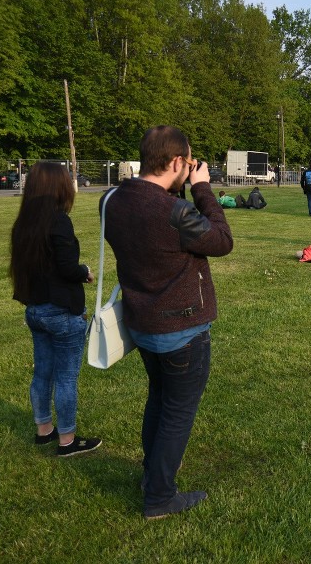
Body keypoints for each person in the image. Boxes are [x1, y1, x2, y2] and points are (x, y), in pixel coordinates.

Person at [101, 125, 233, 520]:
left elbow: (149, 217)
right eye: (188, 162)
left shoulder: (112, 201)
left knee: (159, 399)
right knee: (177, 410)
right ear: (177, 161)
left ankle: (151, 477)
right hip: (182, 329)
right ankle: (159, 496)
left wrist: (179, 186)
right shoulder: (175, 211)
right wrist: (202, 188)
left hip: (142, 322)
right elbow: (221, 240)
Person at [8, 162, 101, 457]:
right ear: (58, 187)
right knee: (65, 377)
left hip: (35, 310)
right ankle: (67, 440)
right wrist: (84, 270)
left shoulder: (24, 223)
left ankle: (43, 430)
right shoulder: (58, 221)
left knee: (42, 373)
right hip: (61, 312)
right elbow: (66, 267)